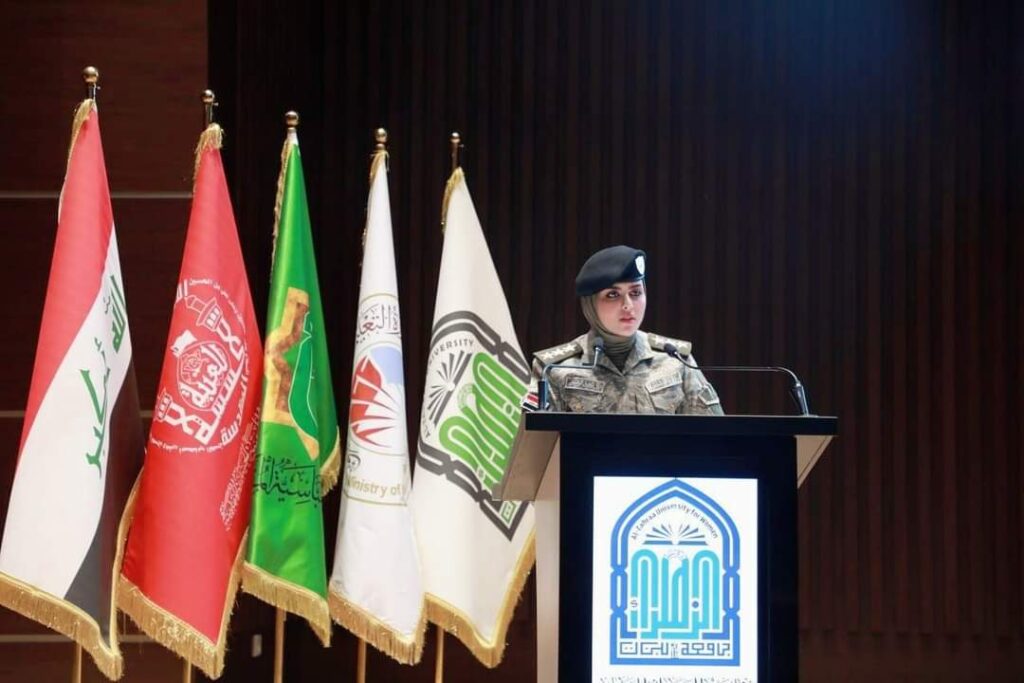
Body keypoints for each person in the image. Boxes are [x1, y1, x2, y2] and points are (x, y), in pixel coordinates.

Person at [527, 245, 723, 415]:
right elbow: (536, 443)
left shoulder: (676, 360)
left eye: (635, 292)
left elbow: (715, 437)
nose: (628, 305)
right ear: (590, 304)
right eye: (613, 294)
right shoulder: (554, 368)